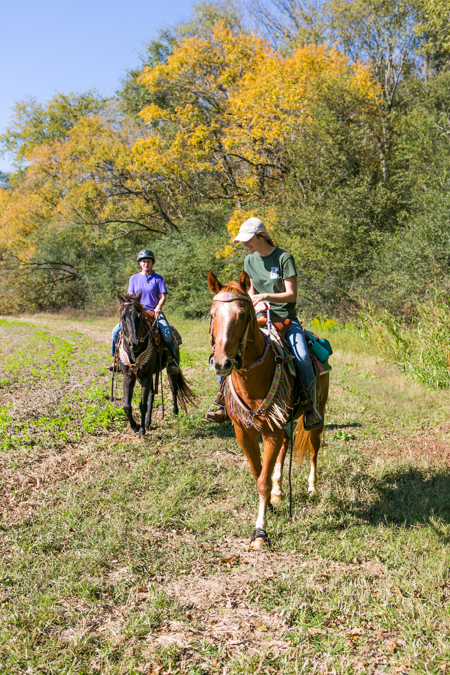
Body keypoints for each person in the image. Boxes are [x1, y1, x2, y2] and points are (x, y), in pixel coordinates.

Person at [206, 218, 322, 428]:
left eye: (248, 240)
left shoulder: (284, 258)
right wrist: (254, 303)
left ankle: (309, 405)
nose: (245, 245)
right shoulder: (249, 261)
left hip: (285, 319)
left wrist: (266, 297)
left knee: (303, 356)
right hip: (258, 318)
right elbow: (250, 293)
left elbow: (291, 295)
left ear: (261, 236)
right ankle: (223, 401)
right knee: (227, 349)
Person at [110, 249, 180, 375]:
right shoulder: (134, 278)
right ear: (139, 263)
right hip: (136, 313)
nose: (146, 264)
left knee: (167, 332)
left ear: (152, 263)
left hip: (154, 312)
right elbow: (131, 294)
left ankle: (172, 361)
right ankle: (116, 360)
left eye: (148, 261)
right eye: (143, 261)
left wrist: (158, 307)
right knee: (115, 332)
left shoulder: (158, 278)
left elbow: (163, 296)